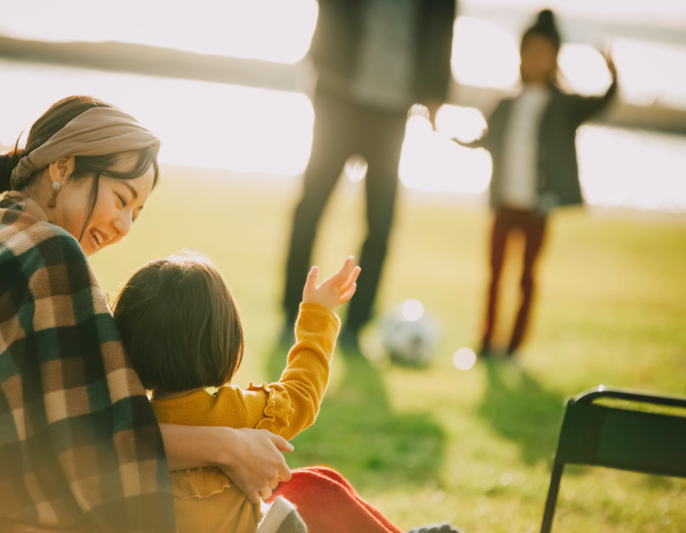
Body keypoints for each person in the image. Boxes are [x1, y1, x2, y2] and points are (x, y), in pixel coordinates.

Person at [0, 96, 292, 532]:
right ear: (62, 168)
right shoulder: (50, 254)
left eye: (136, 213)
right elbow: (97, 438)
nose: (125, 226)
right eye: (120, 198)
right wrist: (228, 446)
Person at [112, 252, 359, 533]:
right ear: (224, 339)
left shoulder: (121, 424)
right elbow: (302, 393)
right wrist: (318, 313)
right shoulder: (239, 413)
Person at [281, 0, 456, 352]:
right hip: (337, 93)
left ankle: (356, 328)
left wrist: (436, 94)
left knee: (380, 223)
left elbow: (441, 22)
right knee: (309, 209)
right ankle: (292, 315)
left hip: (394, 109)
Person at [468, 10, 618, 357]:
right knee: (494, 277)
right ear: (520, 55)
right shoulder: (506, 104)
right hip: (504, 203)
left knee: (526, 277)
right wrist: (439, 127)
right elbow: (482, 140)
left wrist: (613, 77)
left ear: (554, 58)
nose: (535, 58)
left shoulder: (564, 105)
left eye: (543, 52)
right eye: (529, 51)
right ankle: (487, 342)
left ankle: (514, 347)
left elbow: (602, 104)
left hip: (538, 207)